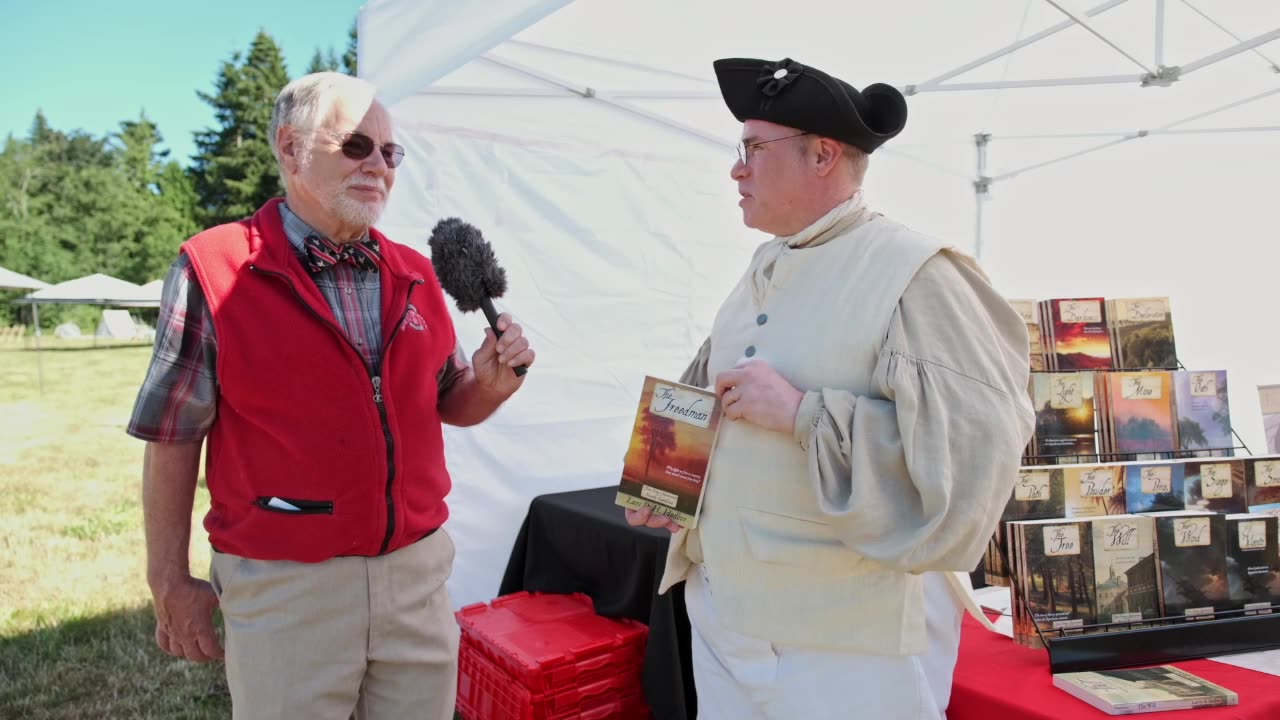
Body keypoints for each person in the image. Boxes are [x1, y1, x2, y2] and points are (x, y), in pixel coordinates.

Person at [625, 57, 1035, 719]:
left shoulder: (917, 272)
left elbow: (978, 449)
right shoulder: (764, 264)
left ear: (822, 156)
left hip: (850, 640)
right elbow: (705, 383)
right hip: (727, 618)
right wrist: (661, 485)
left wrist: (804, 415)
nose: (737, 169)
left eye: (754, 150)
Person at [126, 72, 535, 720]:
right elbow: (172, 434)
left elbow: (450, 398)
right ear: (290, 150)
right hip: (287, 589)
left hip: (417, 579)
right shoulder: (216, 267)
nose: (378, 164)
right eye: (355, 146)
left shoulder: (416, 273)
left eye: (390, 152)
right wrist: (169, 579)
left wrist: (489, 384)